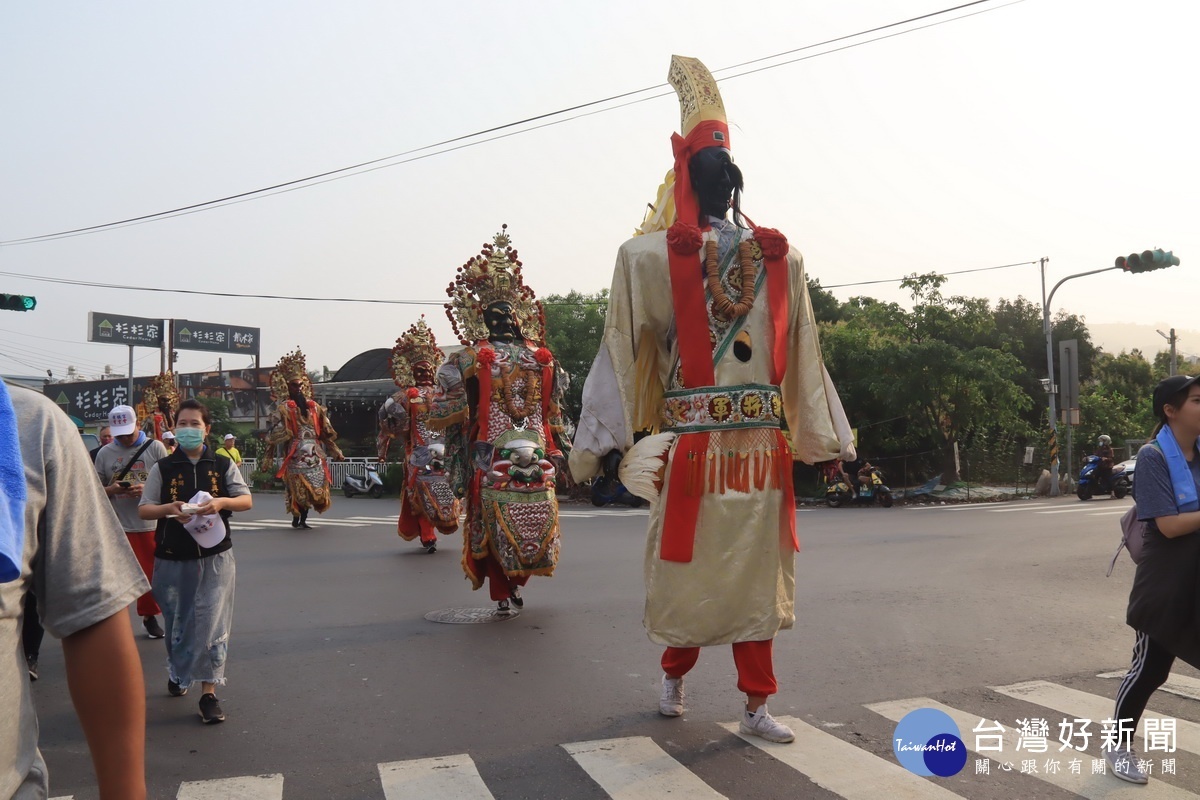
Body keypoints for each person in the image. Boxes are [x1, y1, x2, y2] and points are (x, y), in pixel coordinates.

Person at [570, 55, 855, 743]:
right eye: (708, 167)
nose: (721, 178)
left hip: (759, 450)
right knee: (689, 574)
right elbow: (618, 346)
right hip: (693, 448)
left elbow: (805, 352)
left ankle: (757, 705)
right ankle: (673, 673)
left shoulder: (781, 256)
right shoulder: (646, 257)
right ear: (685, 176)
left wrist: (825, 439)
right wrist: (599, 441)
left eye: (728, 168)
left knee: (755, 580)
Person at [1, 381, 149, 799]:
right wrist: (112, 490)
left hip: (132, 532)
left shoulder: (30, 425)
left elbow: (94, 611)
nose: (117, 437)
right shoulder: (101, 455)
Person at [432, 226, 572, 614]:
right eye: (497, 315)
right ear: (484, 318)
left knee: (532, 511)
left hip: (523, 446)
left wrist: (556, 446)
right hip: (494, 449)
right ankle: (503, 588)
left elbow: (552, 408)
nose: (504, 320)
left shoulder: (536, 357)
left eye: (507, 313)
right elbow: (447, 407)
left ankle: (513, 582)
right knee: (496, 513)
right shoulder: (474, 358)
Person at [1107, 375, 1200, 784]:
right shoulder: (1152, 457)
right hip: (1167, 580)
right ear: (1171, 410)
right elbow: (1168, 526)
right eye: (1198, 401)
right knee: (1150, 669)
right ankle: (1118, 746)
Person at [139, 398, 253, 724]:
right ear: (174, 429)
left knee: (211, 622)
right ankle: (178, 671)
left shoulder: (220, 464)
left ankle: (209, 693)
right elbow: (145, 508)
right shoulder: (163, 468)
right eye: (183, 424)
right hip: (173, 559)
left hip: (216, 558)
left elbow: (245, 500)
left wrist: (220, 502)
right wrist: (168, 509)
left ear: (207, 429)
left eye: (195, 424)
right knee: (178, 624)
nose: (189, 429)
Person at [377, 316, 461, 554]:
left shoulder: (444, 394)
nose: (424, 372)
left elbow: (459, 420)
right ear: (411, 372)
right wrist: (383, 448)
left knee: (447, 491)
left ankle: (434, 528)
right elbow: (385, 420)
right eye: (419, 369)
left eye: (427, 368)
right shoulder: (405, 396)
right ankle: (427, 535)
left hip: (444, 453)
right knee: (422, 491)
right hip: (419, 454)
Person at [94, 404, 170, 639]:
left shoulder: (155, 448)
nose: (125, 438)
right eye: (120, 435)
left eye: (129, 432)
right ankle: (115, 623)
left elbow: (171, 483)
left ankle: (149, 615)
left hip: (152, 523)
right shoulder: (105, 454)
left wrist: (147, 489)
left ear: (138, 424)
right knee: (115, 578)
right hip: (118, 525)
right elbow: (93, 490)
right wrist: (112, 489)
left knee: (152, 575)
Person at [264, 349, 343, 529]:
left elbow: (324, 432)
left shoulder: (315, 407)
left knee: (313, 491)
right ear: (287, 387)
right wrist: (269, 455)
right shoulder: (284, 408)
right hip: (295, 456)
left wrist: (336, 450)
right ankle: (296, 517)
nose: (297, 389)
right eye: (294, 386)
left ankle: (304, 519)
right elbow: (272, 433)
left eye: (300, 385)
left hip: (315, 456)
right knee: (297, 489)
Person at [140, 372, 179, 443]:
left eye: (168, 400)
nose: (166, 403)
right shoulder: (151, 419)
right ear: (156, 400)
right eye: (163, 400)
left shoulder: (175, 417)